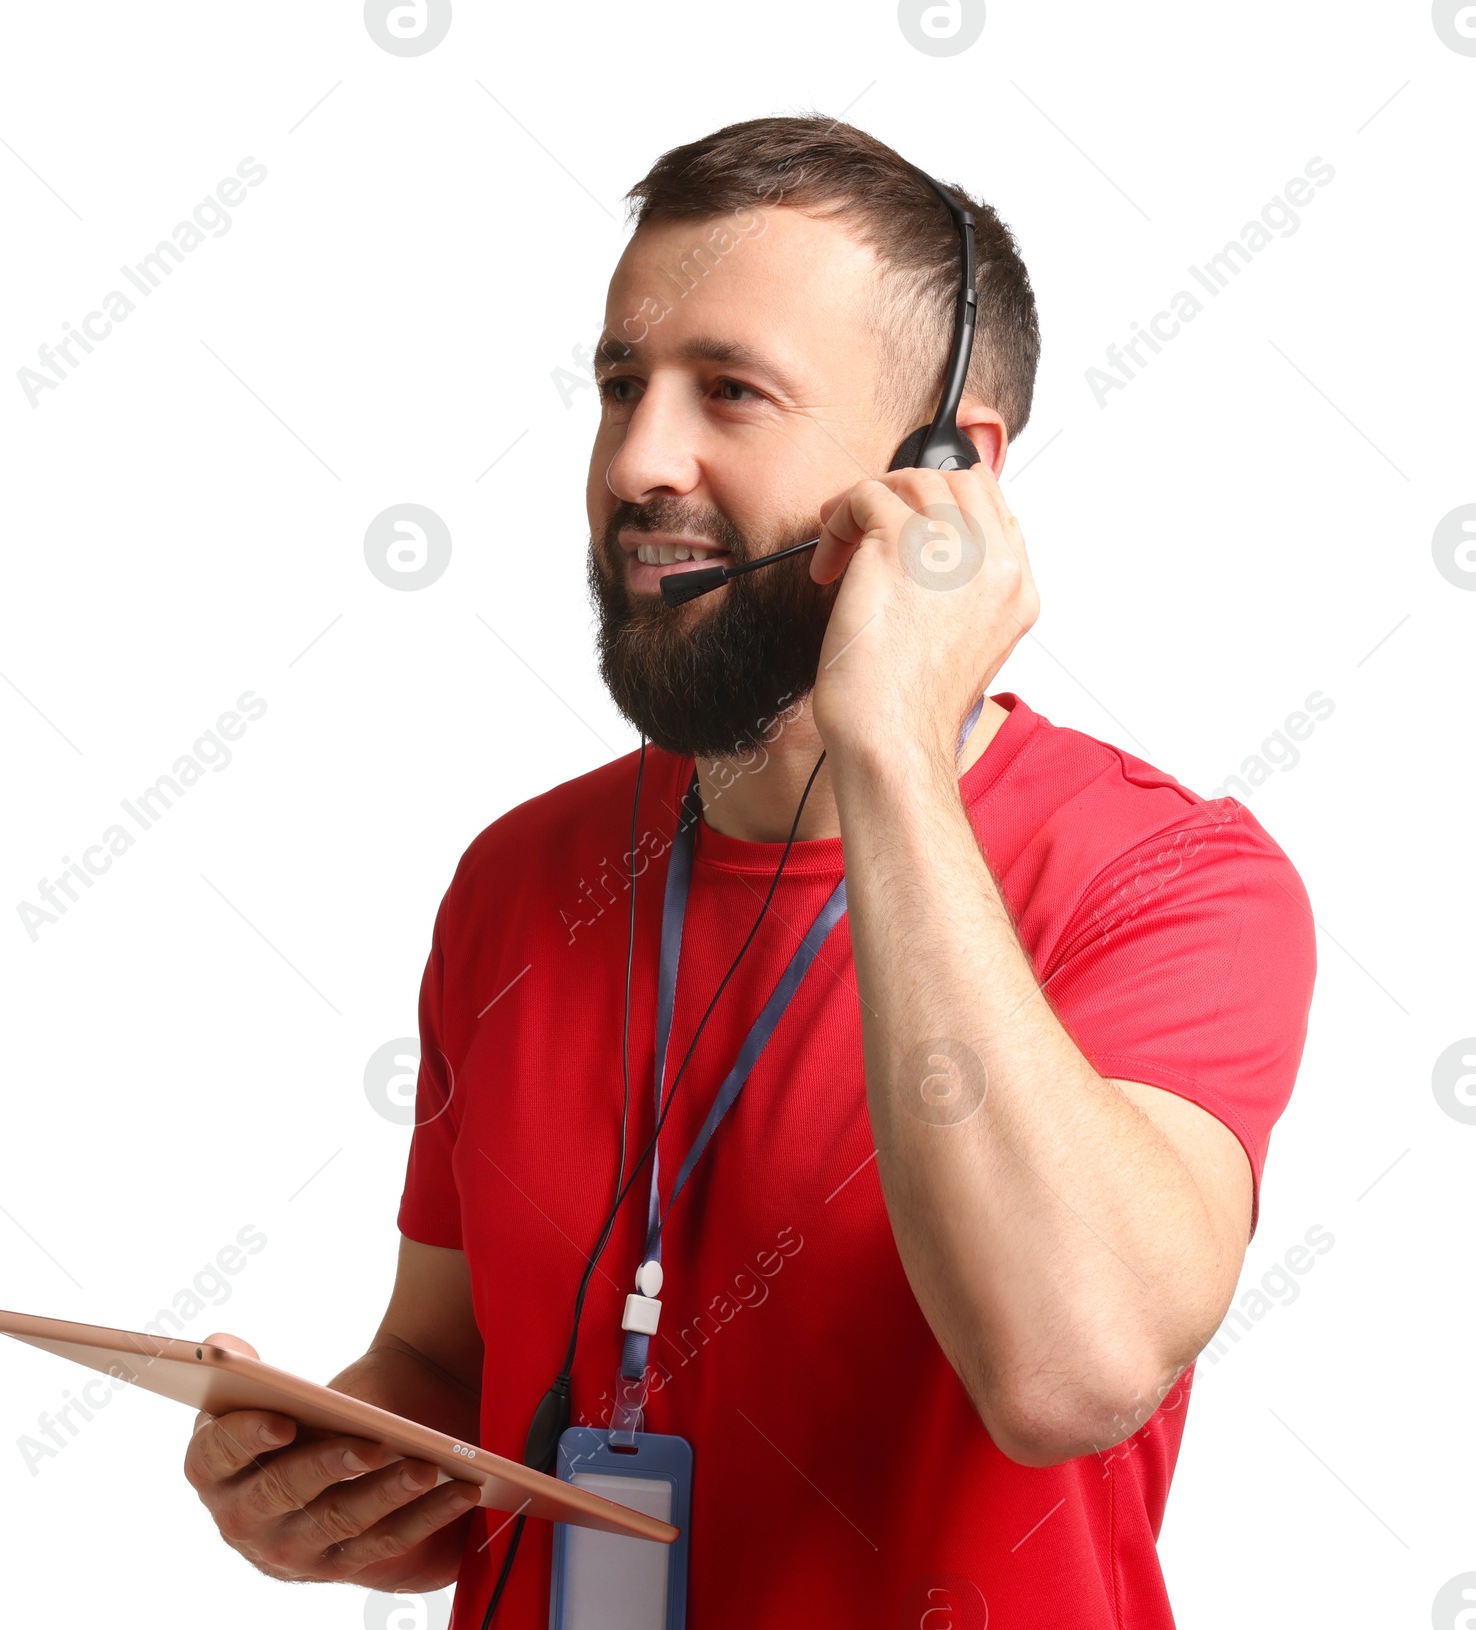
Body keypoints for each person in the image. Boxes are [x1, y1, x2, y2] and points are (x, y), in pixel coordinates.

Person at [183, 114, 1317, 1628]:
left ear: (946, 475)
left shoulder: (1175, 881)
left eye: (730, 391)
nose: (638, 459)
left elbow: (1070, 1369)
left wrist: (893, 747)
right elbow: (450, 1365)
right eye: (617, 387)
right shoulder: (519, 877)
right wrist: (323, 1482)